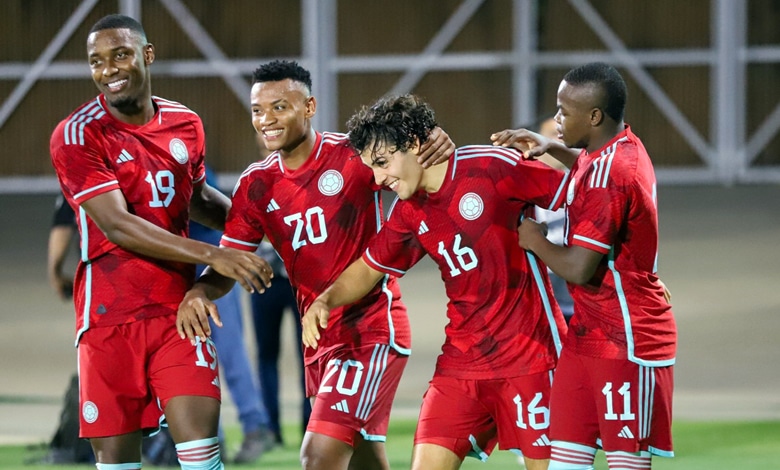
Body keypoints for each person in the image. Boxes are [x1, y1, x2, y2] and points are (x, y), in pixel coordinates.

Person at [176, 60, 454, 470]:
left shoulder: (353, 155)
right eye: (257, 110)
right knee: (363, 460)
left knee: (318, 456)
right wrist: (200, 291)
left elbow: (412, 160)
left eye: (279, 107)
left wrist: (435, 142)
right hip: (318, 341)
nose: (266, 120)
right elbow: (230, 261)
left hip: (369, 329)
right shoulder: (256, 185)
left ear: (309, 107)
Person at [49, 13, 271, 470]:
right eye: (96, 61)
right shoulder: (78, 134)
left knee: (202, 454)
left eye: (120, 54)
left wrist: (256, 225)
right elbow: (119, 226)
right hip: (110, 319)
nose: (108, 69)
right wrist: (216, 253)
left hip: (179, 313)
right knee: (117, 463)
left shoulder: (185, 123)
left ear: (147, 55)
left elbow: (196, 198)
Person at [301, 94, 569, 470]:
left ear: (412, 144)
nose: (378, 179)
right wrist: (325, 301)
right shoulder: (410, 211)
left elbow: (587, 197)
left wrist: (631, 270)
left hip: (532, 359)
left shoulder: (493, 167)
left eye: (382, 163)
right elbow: (368, 267)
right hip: (460, 367)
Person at [491, 62, 677, 469]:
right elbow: (585, 166)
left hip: (627, 340)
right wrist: (550, 145)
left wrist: (534, 240)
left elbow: (578, 268)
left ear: (594, 116)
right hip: (587, 335)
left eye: (564, 110)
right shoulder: (609, 149)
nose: (557, 117)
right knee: (565, 463)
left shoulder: (614, 172)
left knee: (626, 464)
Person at [189, 166, 277, 464]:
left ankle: (255, 427)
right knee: (192, 360)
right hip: (180, 270)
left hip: (215, 268)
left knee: (229, 351)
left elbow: (220, 218)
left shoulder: (194, 171)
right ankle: (212, 439)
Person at [250, 240, 312, 447]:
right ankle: (272, 428)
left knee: (308, 354)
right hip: (266, 276)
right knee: (268, 356)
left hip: (300, 275)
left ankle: (309, 425)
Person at [531, 117, 574, 322]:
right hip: (541, 304)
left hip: (580, 304)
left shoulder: (580, 183)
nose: (558, 139)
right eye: (551, 134)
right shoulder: (521, 189)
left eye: (561, 133)